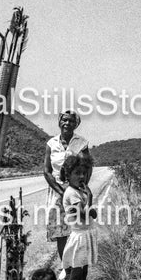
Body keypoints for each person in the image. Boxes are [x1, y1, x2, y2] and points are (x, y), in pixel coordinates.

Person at [60, 154, 103, 280]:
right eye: (77, 173)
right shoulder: (72, 193)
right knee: (75, 277)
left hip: (85, 236)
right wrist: (90, 199)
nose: (82, 176)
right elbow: (85, 215)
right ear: (68, 174)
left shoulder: (79, 192)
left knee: (83, 273)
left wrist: (90, 207)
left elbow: (91, 214)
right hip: (78, 238)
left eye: (84, 173)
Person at [44, 110, 90, 260]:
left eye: (71, 121)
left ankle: (77, 264)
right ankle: (66, 268)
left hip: (76, 190)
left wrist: (79, 189)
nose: (67, 123)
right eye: (64, 120)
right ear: (59, 122)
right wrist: (61, 191)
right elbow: (47, 171)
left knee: (76, 228)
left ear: (76, 124)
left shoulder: (81, 143)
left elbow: (88, 167)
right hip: (57, 191)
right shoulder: (51, 144)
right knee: (60, 231)